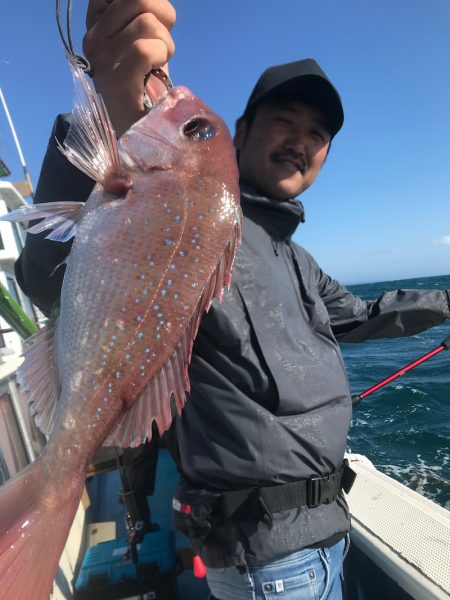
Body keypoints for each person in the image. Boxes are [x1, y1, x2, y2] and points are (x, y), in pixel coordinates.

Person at [14, 2, 450, 599]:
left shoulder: (298, 261)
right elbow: (53, 274)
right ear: (240, 133)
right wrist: (114, 98)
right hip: (264, 565)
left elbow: (367, 314)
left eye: (317, 135)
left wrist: (447, 302)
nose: (301, 142)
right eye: (285, 121)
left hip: (330, 536)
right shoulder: (190, 221)